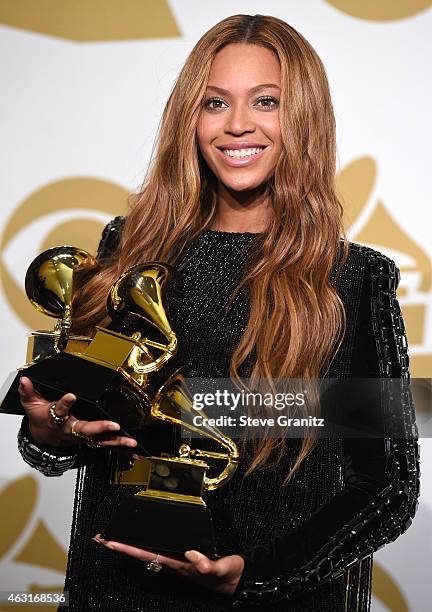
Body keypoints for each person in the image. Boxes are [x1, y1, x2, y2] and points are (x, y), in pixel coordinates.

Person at [15, 14, 419, 611]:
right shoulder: (125, 251)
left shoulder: (352, 277)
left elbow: (386, 486)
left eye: (266, 101)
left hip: (275, 595)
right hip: (119, 589)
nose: (237, 125)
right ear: (189, 118)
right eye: (214, 102)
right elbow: (62, 443)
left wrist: (256, 576)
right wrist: (51, 430)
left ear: (304, 118)